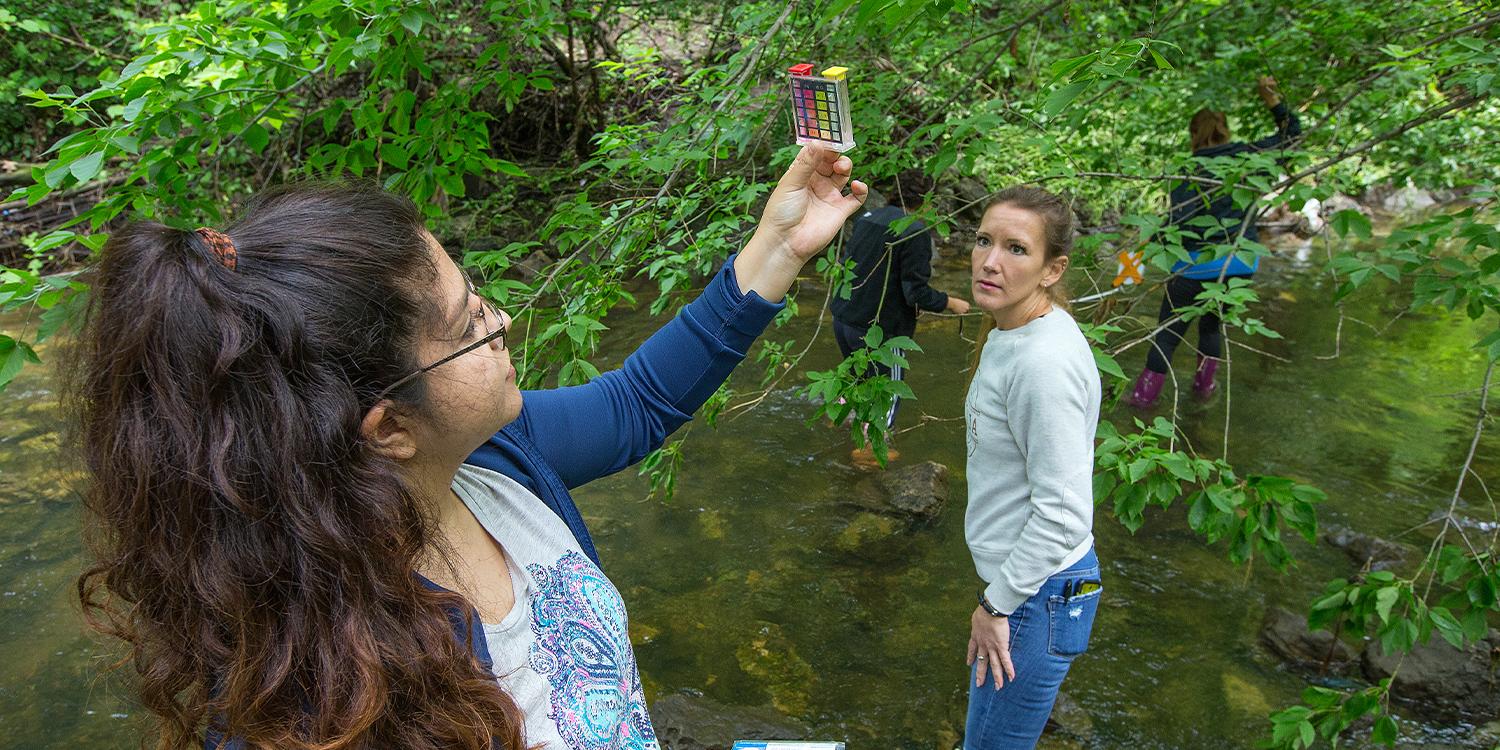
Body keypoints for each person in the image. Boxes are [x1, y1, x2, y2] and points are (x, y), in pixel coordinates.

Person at [68, 145, 867, 750]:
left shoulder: (491, 461)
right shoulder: (307, 687)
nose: (503, 323)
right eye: (467, 327)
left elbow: (637, 404)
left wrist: (781, 247)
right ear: (389, 430)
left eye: (475, 292)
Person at [963, 187, 1102, 750]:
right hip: (1027, 590)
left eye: (1016, 249)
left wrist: (996, 604)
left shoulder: (1044, 363)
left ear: (1053, 269)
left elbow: (1065, 515)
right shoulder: (1017, 330)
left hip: (1032, 597)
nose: (990, 261)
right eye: (983, 241)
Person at [1127, 75, 1302, 407]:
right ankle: (1203, 393)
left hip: (1191, 267)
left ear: (1194, 135)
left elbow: (1176, 222)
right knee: (1211, 328)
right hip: (1238, 264)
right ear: (1226, 130)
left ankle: (1142, 400)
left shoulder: (1186, 171)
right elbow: (1294, 137)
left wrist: (1141, 252)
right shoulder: (1247, 157)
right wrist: (1272, 100)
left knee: (1167, 333)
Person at [829, 168, 969, 449]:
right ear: (925, 200)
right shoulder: (914, 232)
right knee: (887, 396)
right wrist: (951, 303)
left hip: (843, 319)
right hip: (880, 332)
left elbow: (859, 270)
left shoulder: (868, 218)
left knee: (859, 378)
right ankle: (870, 454)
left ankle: (845, 424)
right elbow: (915, 293)